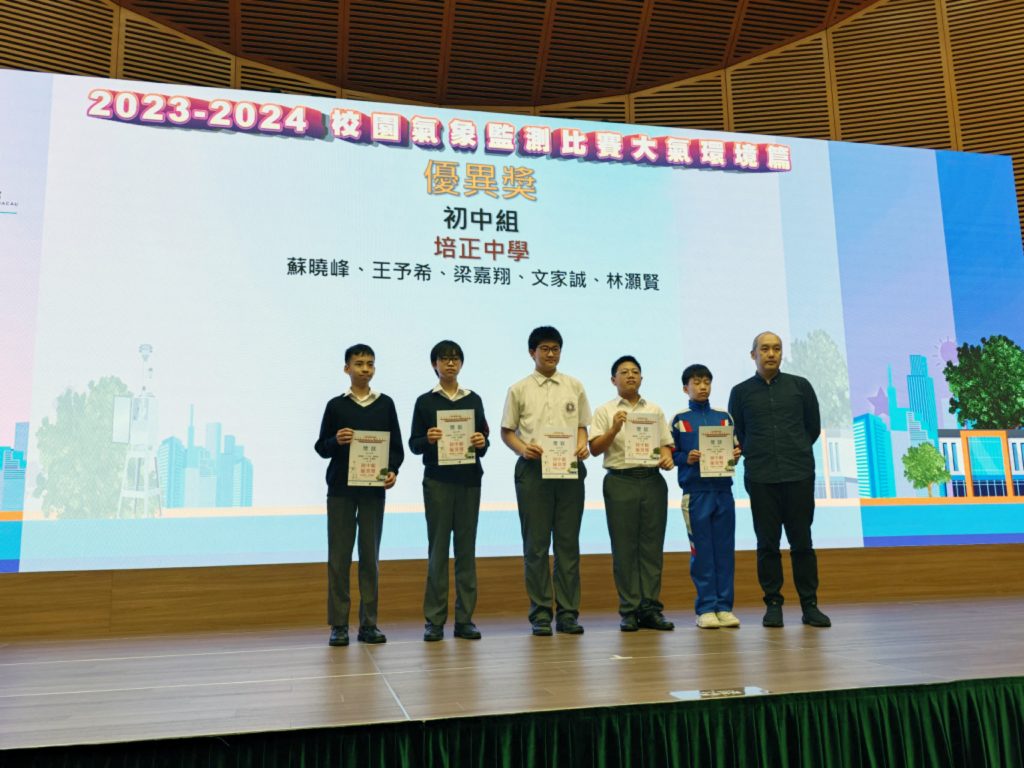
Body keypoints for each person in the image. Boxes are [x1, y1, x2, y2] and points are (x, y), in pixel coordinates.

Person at [727, 331, 831, 628]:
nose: (771, 354)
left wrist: (794, 449)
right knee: (767, 544)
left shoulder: (800, 386)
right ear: (753, 355)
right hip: (761, 477)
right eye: (764, 349)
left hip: (798, 474)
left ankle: (810, 605)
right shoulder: (740, 392)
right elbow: (738, 432)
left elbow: (812, 428)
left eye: (776, 348)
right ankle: (773, 604)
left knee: (802, 543)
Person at [500, 326, 591, 636]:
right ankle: (540, 613)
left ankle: (568, 614)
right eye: (544, 349)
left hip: (569, 472)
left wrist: (582, 445)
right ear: (532, 352)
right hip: (533, 471)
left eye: (555, 349)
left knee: (567, 544)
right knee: (536, 546)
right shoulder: (518, 389)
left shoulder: (574, 386)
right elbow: (507, 431)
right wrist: (523, 449)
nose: (551, 354)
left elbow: (582, 426)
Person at [314, 343, 404, 646]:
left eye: (370, 364)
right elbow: (321, 447)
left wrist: (392, 471)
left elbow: (396, 448)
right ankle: (339, 625)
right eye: (359, 363)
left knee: (370, 559)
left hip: (373, 492)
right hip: (340, 490)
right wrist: (335, 440)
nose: (365, 369)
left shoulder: (385, 404)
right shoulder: (336, 406)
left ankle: (369, 624)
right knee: (339, 559)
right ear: (346, 368)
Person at [408, 340, 489, 642]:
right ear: (435, 365)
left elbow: (484, 441)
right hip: (438, 482)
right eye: (444, 359)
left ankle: (465, 620)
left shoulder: (474, 399)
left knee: (466, 552)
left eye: (455, 358)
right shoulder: (425, 401)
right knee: (438, 551)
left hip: (469, 481)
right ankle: (434, 621)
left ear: (461, 364)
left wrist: (481, 442)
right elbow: (414, 444)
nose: (450, 363)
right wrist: (427, 438)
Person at [589, 355, 676, 632]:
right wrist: (614, 428)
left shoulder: (654, 409)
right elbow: (594, 449)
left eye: (635, 372)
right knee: (624, 548)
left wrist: (667, 458)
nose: (630, 376)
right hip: (620, 481)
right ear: (613, 379)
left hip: (652, 481)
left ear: (641, 378)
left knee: (652, 548)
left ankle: (650, 609)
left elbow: (666, 445)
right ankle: (629, 609)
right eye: (624, 372)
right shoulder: (604, 410)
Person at [671, 364, 742, 629]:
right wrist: (686, 458)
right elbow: (671, 455)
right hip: (696, 493)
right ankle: (705, 608)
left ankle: (724, 607)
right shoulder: (679, 419)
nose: (702, 387)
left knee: (724, 551)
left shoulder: (724, 417)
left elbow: (736, 449)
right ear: (685, 388)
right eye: (697, 382)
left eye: (707, 382)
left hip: (723, 491)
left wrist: (736, 454)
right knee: (701, 552)